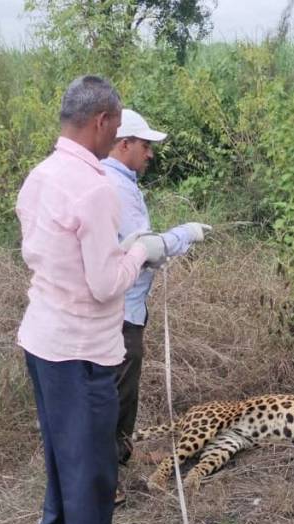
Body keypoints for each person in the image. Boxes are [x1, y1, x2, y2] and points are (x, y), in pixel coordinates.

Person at [16, 76, 170, 524]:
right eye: (118, 127)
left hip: (42, 338)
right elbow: (106, 285)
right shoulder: (94, 188)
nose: (118, 137)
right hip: (80, 349)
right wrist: (141, 251)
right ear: (103, 122)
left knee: (63, 452)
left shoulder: (40, 175)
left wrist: (119, 252)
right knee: (94, 466)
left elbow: (45, 254)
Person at [102, 109, 211, 503]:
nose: (150, 154)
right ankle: (105, 481)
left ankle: (119, 456)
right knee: (114, 394)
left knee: (121, 390)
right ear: (124, 143)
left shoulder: (117, 180)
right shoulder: (114, 186)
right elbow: (143, 248)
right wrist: (184, 235)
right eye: (145, 145)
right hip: (119, 311)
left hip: (124, 308)